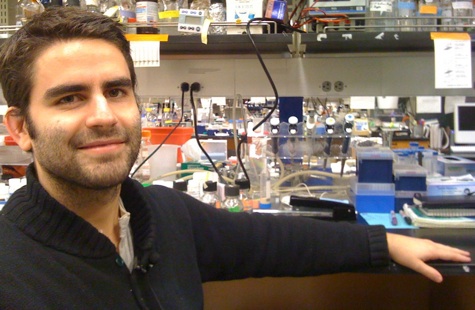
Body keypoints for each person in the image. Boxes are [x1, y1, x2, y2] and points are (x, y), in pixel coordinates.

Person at [0, 7, 470, 309]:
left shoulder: (161, 216)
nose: (103, 116)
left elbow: (269, 240)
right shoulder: (11, 270)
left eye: (117, 91)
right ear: (20, 128)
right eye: (69, 99)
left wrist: (381, 243)